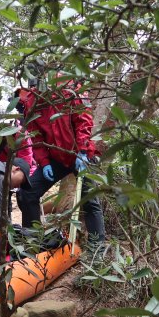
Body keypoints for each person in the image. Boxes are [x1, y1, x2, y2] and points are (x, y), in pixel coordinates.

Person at [16, 80, 105, 243]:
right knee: (27, 193)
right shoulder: (31, 101)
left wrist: (83, 150)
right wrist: (44, 162)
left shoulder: (70, 89)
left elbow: (84, 120)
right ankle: (33, 242)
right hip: (56, 158)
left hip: (80, 154)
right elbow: (36, 136)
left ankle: (96, 249)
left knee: (90, 201)